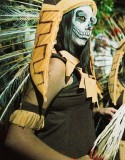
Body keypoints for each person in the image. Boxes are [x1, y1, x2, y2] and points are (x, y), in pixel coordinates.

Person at [4, 0, 116, 159]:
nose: (89, 26)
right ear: (64, 21)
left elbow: (63, 110)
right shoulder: (57, 66)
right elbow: (17, 138)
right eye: (82, 18)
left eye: (92, 21)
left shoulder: (74, 65)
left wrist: (97, 111)